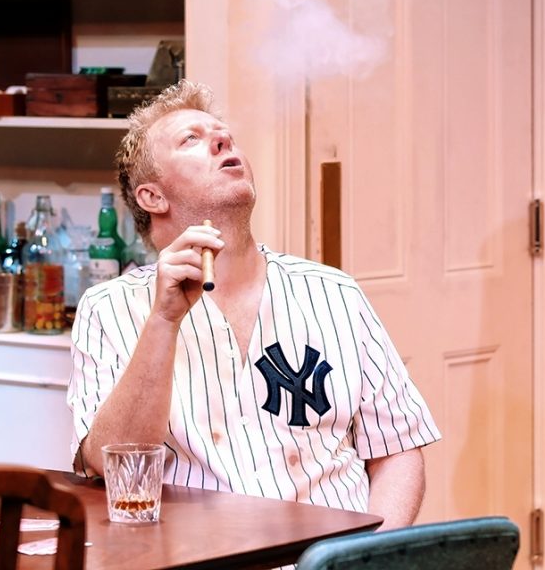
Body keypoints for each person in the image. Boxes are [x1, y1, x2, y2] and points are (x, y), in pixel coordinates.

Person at [67, 80, 440, 531]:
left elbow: (397, 450)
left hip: (331, 555)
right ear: (153, 197)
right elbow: (109, 462)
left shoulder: (334, 293)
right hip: (199, 557)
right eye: (191, 139)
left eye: (223, 135)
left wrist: (374, 556)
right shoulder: (108, 308)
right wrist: (164, 320)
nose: (222, 140)